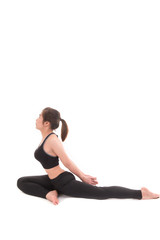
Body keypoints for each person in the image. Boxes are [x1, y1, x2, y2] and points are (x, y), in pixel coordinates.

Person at [17, 107, 160, 205]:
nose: (36, 119)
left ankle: (141, 193)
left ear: (46, 123)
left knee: (101, 193)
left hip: (63, 182)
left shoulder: (53, 140)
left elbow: (67, 162)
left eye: (39, 117)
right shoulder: (45, 138)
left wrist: (83, 176)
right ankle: (50, 194)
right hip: (52, 180)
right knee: (22, 182)